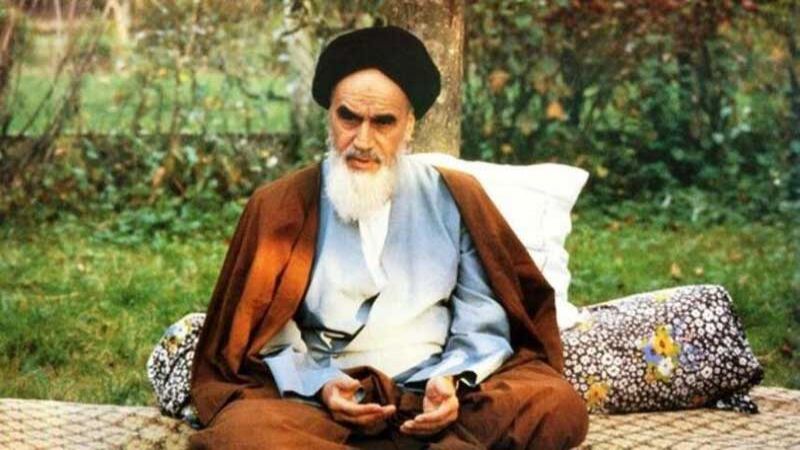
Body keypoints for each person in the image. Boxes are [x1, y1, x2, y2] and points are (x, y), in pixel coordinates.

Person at [188, 25, 588, 450]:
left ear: (409, 125)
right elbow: (266, 332)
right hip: (325, 400)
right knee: (241, 434)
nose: (362, 141)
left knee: (555, 405)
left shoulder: (455, 195)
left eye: (383, 122)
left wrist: (451, 380)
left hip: (434, 387)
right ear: (329, 116)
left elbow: (481, 315)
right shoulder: (280, 204)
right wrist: (322, 385)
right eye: (348, 118)